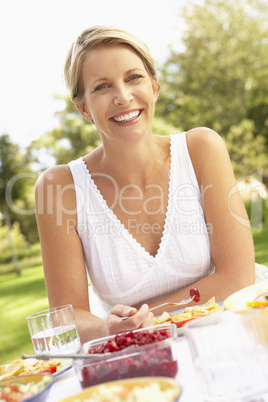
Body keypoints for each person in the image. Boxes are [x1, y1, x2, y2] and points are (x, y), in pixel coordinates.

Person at [35, 25, 255, 344]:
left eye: (133, 78)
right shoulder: (59, 187)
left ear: (154, 86)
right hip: (140, 354)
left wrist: (150, 318)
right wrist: (106, 329)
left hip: (229, 334)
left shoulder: (201, 149)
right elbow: (68, 318)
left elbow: (237, 279)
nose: (123, 97)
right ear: (83, 108)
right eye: (102, 86)